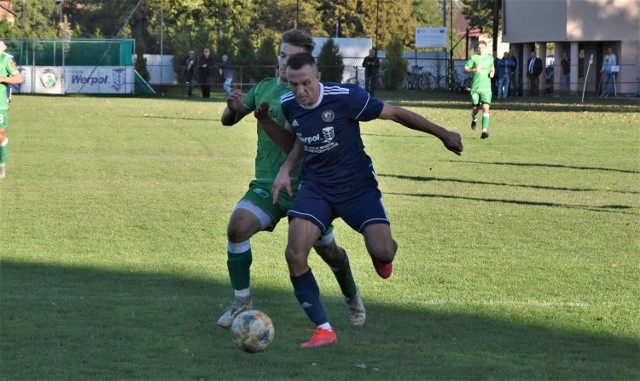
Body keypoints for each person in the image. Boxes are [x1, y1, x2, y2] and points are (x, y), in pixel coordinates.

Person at [256, 52, 463, 348]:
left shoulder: (347, 97)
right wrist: (285, 168)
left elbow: (395, 113)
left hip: (357, 186)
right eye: (293, 85)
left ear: (318, 78)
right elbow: (300, 139)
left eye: (305, 83)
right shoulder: (290, 105)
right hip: (317, 188)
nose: (300, 91)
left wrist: (441, 133)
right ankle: (324, 329)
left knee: (383, 251)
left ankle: (383, 252)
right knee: (294, 252)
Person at [217, 29, 366, 332]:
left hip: (309, 189)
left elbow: (293, 148)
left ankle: (352, 297)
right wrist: (233, 110)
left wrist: (267, 121)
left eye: (292, 57)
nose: (285, 62)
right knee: (237, 228)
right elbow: (228, 120)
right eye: (283, 55)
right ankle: (241, 303)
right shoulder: (264, 88)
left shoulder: (305, 99)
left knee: (329, 252)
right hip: (266, 185)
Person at [0, 39, 24, 179]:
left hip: (0, 104)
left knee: (1, 136)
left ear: (4, 48)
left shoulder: (6, 60)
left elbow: (19, 78)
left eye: (0, 44)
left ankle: (2, 164)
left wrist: (2, 78)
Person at [464, 40, 495, 139]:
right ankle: (474, 118)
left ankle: (484, 131)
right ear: (477, 49)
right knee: (475, 109)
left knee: (486, 108)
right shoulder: (473, 58)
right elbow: (465, 69)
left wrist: (492, 73)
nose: (481, 49)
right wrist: (473, 69)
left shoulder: (490, 58)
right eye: (479, 48)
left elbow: (492, 68)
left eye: (483, 47)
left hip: (486, 89)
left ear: (486, 48)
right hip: (475, 88)